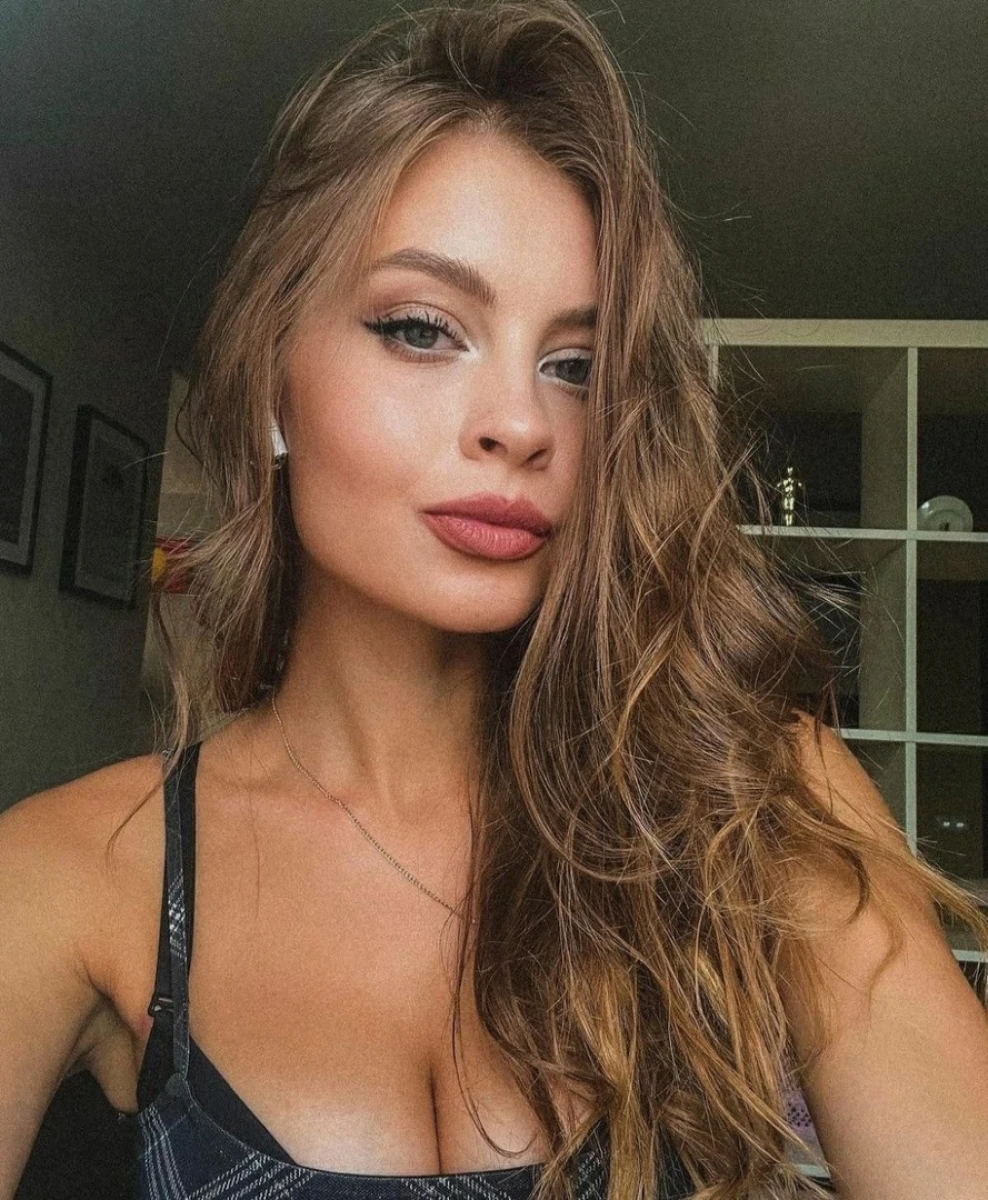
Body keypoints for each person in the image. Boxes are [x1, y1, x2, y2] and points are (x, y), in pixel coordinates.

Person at [3, 1, 988, 1197]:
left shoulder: (754, 796)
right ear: (269, 379)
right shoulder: (68, 875)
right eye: (422, 329)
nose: (522, 423)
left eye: (574, 365)